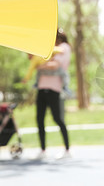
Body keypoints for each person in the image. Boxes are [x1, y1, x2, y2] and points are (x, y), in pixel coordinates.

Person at [35, 29, 71, 159]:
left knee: (58, 118)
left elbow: (55, 65)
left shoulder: (64, 48)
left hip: (54, 88)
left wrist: (40, 66)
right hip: (42, 87)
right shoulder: (51, 49)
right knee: (39, 119)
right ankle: (43, 150)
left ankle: (67, 150)